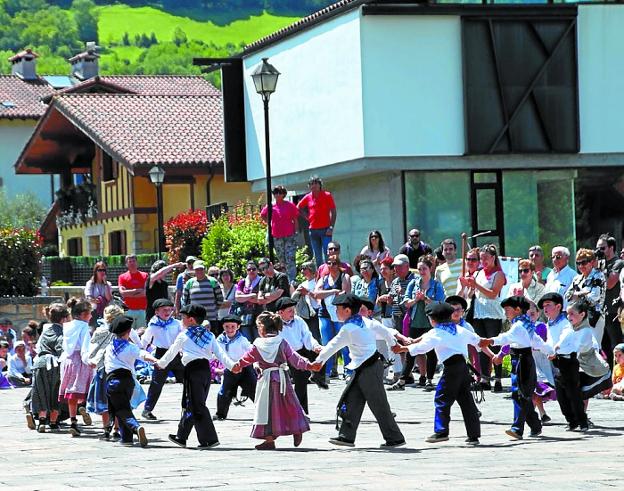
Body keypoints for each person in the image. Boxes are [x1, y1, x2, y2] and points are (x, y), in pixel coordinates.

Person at [315, 293, 405, 448]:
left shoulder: (349, 328)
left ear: (348, 311)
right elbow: (385, 331)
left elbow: (332, 346)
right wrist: (393, 344)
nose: (336, 312)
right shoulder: (365, 321)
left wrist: (317, 363)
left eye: (338, 309)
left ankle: (395, 438)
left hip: (368, 369)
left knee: (379, 404)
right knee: (352, 401)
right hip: (365, 367)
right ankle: (346, 436)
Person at [399, 302, 482, 445]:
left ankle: (441, 431)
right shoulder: (458, 329)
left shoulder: (436, 332)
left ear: (432, 319)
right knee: (466, 400)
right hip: (463, 367)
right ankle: (474, 435)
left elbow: (422, 348)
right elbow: (477, 340)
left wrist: (402, 349)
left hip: (451, 368)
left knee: (442, 398)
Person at [230, 312, 315, 450]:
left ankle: (269, 439)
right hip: (282, 379)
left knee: (266, 409)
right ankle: (297, 428)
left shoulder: (257, 345)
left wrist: (237, 366)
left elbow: (246, 358)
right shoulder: (282, 342)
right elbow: (295, 358)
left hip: (266, 381)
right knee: (290, 405)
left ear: (262, 328)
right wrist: (309, 365)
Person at [158, 304, 237, 450]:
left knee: (197, 404)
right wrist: (232, 366)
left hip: (193, 370)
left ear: (191, 320)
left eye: (183, 317)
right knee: (192, 403)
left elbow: (172, 352)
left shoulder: (184, 335)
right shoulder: (209, 335)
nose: (181, 320)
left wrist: (161, 363)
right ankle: (181, 436)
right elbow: (220, 354)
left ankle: (209, 439)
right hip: (206, 371)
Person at [480, 296, 554, 440]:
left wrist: (490, 340)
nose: (506, 312)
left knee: (522, 395)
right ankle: (535, 425)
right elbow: (537, 342)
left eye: (507, 309)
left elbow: (507, 337)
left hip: (523, 361)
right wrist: (550, 351)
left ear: (517, 310)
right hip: (518, 360)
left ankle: (517, 428)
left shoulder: (520, 326)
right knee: (519, 394)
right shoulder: (525, 324)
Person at [390, 254, 445, 391]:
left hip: (430, 323)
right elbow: (406, 303)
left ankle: (430, 379)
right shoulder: (413, 283)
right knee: (411, 350)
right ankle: (402, 380)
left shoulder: (436, 285)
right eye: (419, 269)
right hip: (415, 321)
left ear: (430, 269)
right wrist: (416, 299)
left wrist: (425, 298)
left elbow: (439, 304)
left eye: (424, 269)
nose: (421, 272)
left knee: (431, 352)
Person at [104, 315, 157, 447]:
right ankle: (126, 438)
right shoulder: (130, 347)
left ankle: (135, 427)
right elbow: (143, 354)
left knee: (121, 409)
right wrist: (155, 360)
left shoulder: (109, 347)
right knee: (124, 407)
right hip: (128, 380)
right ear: (128, 332)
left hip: (113, 381)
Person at [540, 293, 588, 431]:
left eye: (548, 305)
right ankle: (571, 421)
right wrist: (547, 349)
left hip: (568, 361)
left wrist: (557, 346)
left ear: (558, 306)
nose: (545, 308)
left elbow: (566, 334)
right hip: (556, 361)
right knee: (561, 395)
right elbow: (549, 340)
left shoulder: (565, 322)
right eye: (544, 306)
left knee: (573, 393)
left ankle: (582, 421)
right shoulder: (549, 323)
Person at [463, 244, 506, 392]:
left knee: (494, 344)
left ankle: (498, 378)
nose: (483, 261)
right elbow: (470, 294)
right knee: (482, 346)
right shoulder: (478, 273)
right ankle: (485, 378)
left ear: (493, 258)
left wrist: (476, 285)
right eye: (481, 258)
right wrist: (469, 286)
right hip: (478, 313)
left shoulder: (498, 274)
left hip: (492, 313)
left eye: (486, 258)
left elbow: (493, 293)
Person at [275, 297, 323, 413]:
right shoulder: (275, 324)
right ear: (280, 312)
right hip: (282, 355)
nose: (293, 313)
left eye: (293, 310)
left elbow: (307, 336)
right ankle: (282, 411)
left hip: (299, 353)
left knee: (301, 382)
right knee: (282, 383)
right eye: (289, 311)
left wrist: (315, 346)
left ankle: (301, 411)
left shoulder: (299, 321)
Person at [558, 299, 611, 403]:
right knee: (575, 392)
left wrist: (560, 349)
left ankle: (583, 416)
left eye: (572, 314)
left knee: (582, 392)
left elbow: (578, 347)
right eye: (567, 314)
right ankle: (581, 416)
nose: (569, 317)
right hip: (577, 365)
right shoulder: (570, 329)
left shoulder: (586, 331)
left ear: (582, 314)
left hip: (591, 368)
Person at [140, 298, 184, 420]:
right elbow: (145, 341)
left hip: (175, 354)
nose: (168, 312)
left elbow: (184, 337)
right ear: (157, 312)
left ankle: (189, 407)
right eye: (164, 310)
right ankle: (147, 409)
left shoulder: (176, 323)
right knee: (156, 383)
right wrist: (138, 351)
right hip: (161, 354)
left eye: (170, 310)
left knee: (187, 380)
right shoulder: (153, 325)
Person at [30, 303, 68, 433]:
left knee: (41, 392)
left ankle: (41, 421)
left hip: (40, 363)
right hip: (54, 364)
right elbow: (60, 348)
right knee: (55, 392)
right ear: (63, 319)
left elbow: (39, 347)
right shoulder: (62, 332)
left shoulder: (45, 330)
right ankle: (52, 422)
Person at [59, 298, 94, 437]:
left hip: (68, 360)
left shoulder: (67, 325)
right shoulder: (84, 326)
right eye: (90, 313)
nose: (91, 316)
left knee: (71, 391)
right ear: (83, 314)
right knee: (82, 388)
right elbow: (85, 346)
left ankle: (73, 421)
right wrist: (89, 360)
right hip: (80, 360)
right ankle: (83, 407)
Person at [314, 255, 351, 381]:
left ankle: (348, 370)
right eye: (329, 263)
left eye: (334, 263)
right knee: (327, 344)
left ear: (338, 264)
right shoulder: (323, 279)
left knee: (345, 343)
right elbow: (316, 294)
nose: (332, 266)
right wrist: (332, 291)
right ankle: (327, 371)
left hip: (340, 314)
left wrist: (334, 292)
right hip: (325, 314)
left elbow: (345, 293)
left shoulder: (344, 277)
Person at [213, 314, 256, 421]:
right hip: (230, 368)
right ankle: (220, 413)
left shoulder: (242, 339)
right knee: (224, 391)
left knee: (254, 390)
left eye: (233, 326)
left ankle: (265, 412)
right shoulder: (220, 339)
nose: (230, 329)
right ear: (223, 327)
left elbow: (251, 349)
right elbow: (216, 352)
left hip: (244, 368)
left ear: (238, 327)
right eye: (227, 326)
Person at [565, 248, 606, 345]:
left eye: (583, 263)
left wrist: (577, 295)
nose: (580, 266)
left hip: (594, 318)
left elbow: (593, 298)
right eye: (578, 263)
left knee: (593, 347)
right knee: (579, 348)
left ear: (591, 262)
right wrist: (582, 294)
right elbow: (567, 296)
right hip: (578, 318)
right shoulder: (577, 279)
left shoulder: (598, 276)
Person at [596, 234, 624, 369]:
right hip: (601, 312)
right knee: (603, 348)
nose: (599, 251)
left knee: (616, 346)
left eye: (602, 248)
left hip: (614, 312)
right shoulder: (600, 265)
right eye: (597, 248)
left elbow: (610, 283)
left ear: (611, 248)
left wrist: (600, 268)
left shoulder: (618, 263)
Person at [296, 175, 337, 268]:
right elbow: (298, 207)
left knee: (328, 254)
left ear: (319, 185)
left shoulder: (327, 195)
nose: (313, 186)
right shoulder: (308, 197)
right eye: (311, 184)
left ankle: (330, 274)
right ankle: (321, 276)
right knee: (317, 257)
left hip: (326, 229)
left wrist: (331, 227)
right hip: (313, 230)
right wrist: (307, 217)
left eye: (315, 183)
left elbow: (333, 211)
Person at [261, 185, 300, 281]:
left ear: (283, 194)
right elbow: (263, 215)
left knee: (290, 258)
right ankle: (284, 279)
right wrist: (269, 223)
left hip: (289, 235)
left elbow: (295, 219)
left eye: (280, 192)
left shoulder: (290, 205)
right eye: (275, 193)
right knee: (281, 259)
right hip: (277, 236)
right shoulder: (271, 206)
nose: (277, 194)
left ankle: (292, 280)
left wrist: (296, 233)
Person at [182, 260, 224, 332]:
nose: (199, 271)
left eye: (201, 269)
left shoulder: (213, 281)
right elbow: (184, 301)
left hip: (211, 318)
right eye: (197, 269)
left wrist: (214, 309)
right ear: (194, 270)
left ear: (205, 270)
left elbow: (220, 299)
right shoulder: (190, 283)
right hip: (195, 319)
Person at [291, 261, 321, 343]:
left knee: (319, 335)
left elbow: (318, 297)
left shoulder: (318, 282)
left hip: (318, 311)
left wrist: (307, 292)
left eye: (304, 269)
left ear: (311, 269)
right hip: (308, 314)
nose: (302, 271)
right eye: (301, 269)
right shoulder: (303, 284)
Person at [234, 261, 263, 341]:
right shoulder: (242, 282)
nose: (251, 271)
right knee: (247, 342)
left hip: (259, 316)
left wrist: (244, 296)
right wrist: (252, 295)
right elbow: (237, 298)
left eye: (254, 269)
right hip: (245, 317)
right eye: (249, 269)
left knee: (259, 341)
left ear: (257, 270)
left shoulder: (262, 281)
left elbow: (260, 299)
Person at [118, 255, 149, 329]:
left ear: (137, 262)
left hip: (142, 310)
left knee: (142, 333)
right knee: (128, 334)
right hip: (128, 310)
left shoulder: (145, 275)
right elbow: (122, 293)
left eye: (134, 261)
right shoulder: (122, 277)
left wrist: (129, 293)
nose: (132, 263)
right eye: (130, 262)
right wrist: (136, 291)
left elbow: (145, 293)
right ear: (126, 264)